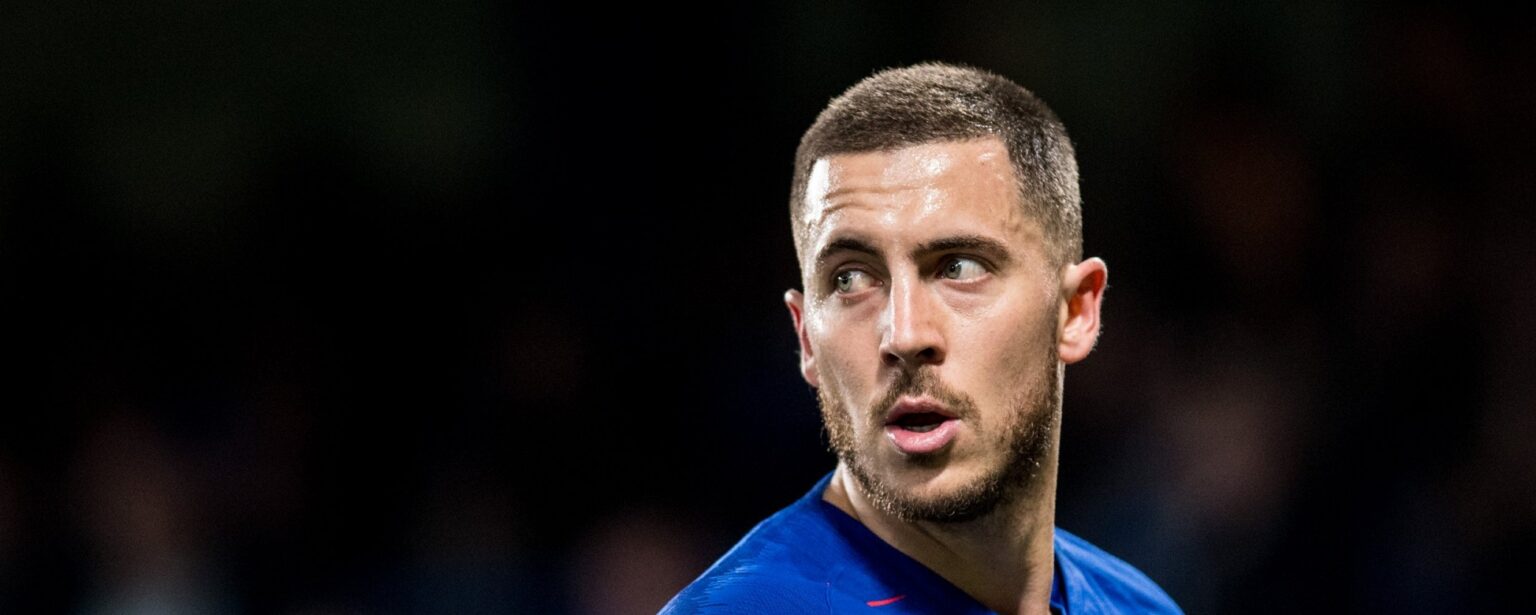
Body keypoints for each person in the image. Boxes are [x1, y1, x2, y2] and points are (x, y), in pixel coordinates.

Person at [661, 61, 1183, 615]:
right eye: (851, 279)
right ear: (806, 338)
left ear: (1075, 311)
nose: (905, 334)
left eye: (959, 267)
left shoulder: (1141, 605)